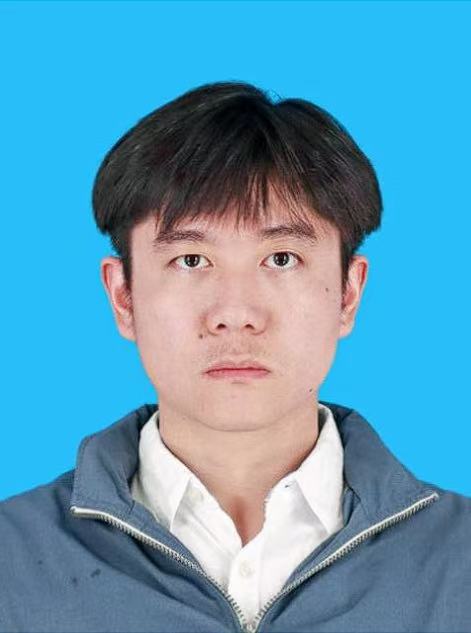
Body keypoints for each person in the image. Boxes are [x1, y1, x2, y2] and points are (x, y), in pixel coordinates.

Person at [0, 80, 469, 633]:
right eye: (192, 260)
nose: (236, 313)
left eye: (282, 258)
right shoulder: (13, 562)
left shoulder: (458, 561)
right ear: (123, 296)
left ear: (348, 293)